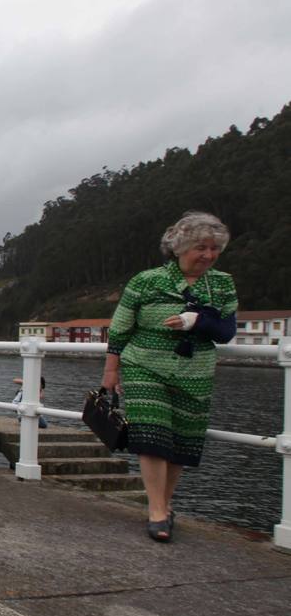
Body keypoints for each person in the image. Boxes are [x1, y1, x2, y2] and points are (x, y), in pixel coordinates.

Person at [102, 211, 238, 543]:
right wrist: (111, 370)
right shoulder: (146, 281)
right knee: (152, 434)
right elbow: (120, 328)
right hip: (144, 365)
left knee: (180, 440)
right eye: (200, 247)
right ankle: (157, 512)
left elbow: (226, 331)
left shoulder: (222, 283)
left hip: (195, 371)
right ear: (179, 247)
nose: (208, 255)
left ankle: (165, 504)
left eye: (214, 248)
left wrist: (196, 321)